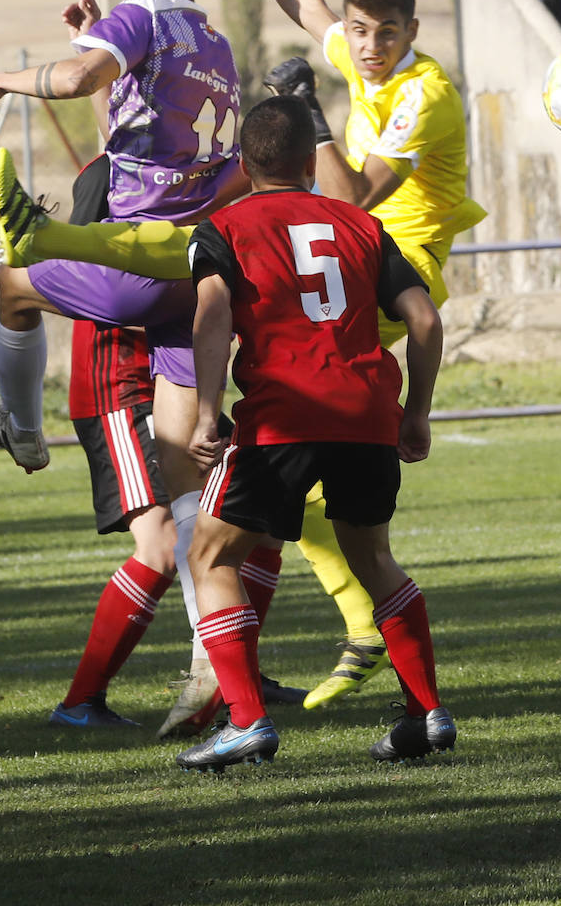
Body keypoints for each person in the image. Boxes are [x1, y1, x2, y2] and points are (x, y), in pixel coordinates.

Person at [0, 0, 486, 721]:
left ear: (412, 30)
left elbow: (355, 194)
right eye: (361, 34)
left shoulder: (420, 96)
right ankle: (382, 677)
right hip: (352, 286)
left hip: (384, 269)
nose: (366, 46)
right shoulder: (334, 69)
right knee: (279, 520)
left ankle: (231, 699)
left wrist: (311, 110)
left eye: (385, 33)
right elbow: (311, 5)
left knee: (188, 275)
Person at [0, 0, 244, 733]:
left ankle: (25, 432)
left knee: (12, 284)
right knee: (187, 497)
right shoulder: (214, 41)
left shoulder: (143, 18)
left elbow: (73, 81)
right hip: (191, 267)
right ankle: (212, 671)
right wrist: (92, 40)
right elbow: (143, 128)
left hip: (136, 273)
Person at [175, 94, 455, 771]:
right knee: (374, 559)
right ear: (309, 162)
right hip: (366, 415)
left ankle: (247, 723)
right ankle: (427, 714)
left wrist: (208, 410)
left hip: (284, 416)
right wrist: (416, 411)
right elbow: (424, 321)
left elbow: (212, 319)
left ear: (244, 164)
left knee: (211, 560)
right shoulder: (360, 222)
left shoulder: (224, 228)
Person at [48, 157, 304, 730]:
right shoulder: (115, 233)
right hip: (122, 392)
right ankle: (79, 703)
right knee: (163, 546)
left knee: (256, 532)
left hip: (178, 382)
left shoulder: (176, 199)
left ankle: (234, 670)